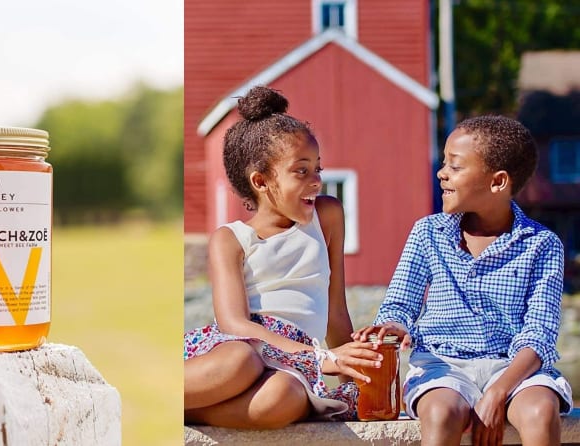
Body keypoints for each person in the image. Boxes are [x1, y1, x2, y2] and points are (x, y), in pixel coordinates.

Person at [353, 115, 573, 446]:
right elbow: (400, 304)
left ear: (498, 182)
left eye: (455, 167)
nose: (442, 173)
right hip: (443, 366)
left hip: (514, 368)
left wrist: (498, 392)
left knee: (541, 412)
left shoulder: (542, 245)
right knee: (442, 414)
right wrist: (395, 327)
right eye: (444, 163)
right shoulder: (427, 233)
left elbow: (539, 335)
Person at [184, 86, 382, 429]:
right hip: (245, 345)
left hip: (294, 362)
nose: (316, 181)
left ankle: (189, 412)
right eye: (301, 171)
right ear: (261, 181)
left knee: (287, 396)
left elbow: (336, 311)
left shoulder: (328, 216)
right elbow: (234, 324)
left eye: (318, 169)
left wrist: (354, 380)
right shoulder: (230, 239)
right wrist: (322, 358)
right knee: (240, 361)